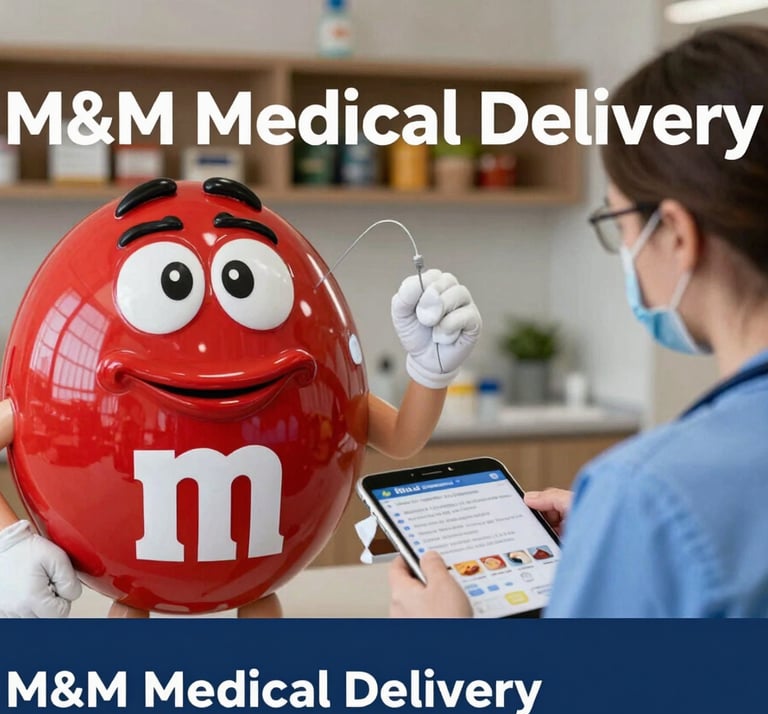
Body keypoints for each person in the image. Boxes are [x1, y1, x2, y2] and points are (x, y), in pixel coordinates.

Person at [391, 25, 768, 618]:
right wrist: (617, 548)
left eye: (617, 224)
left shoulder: (649, 494)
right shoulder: (644, 506)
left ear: (675, 233)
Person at [0, 267, 481, 617]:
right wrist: (10, 542)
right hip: (131, 586)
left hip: (260, 585)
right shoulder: (70, 382)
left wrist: (429, 370)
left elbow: (400, 438)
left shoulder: (320, 385)